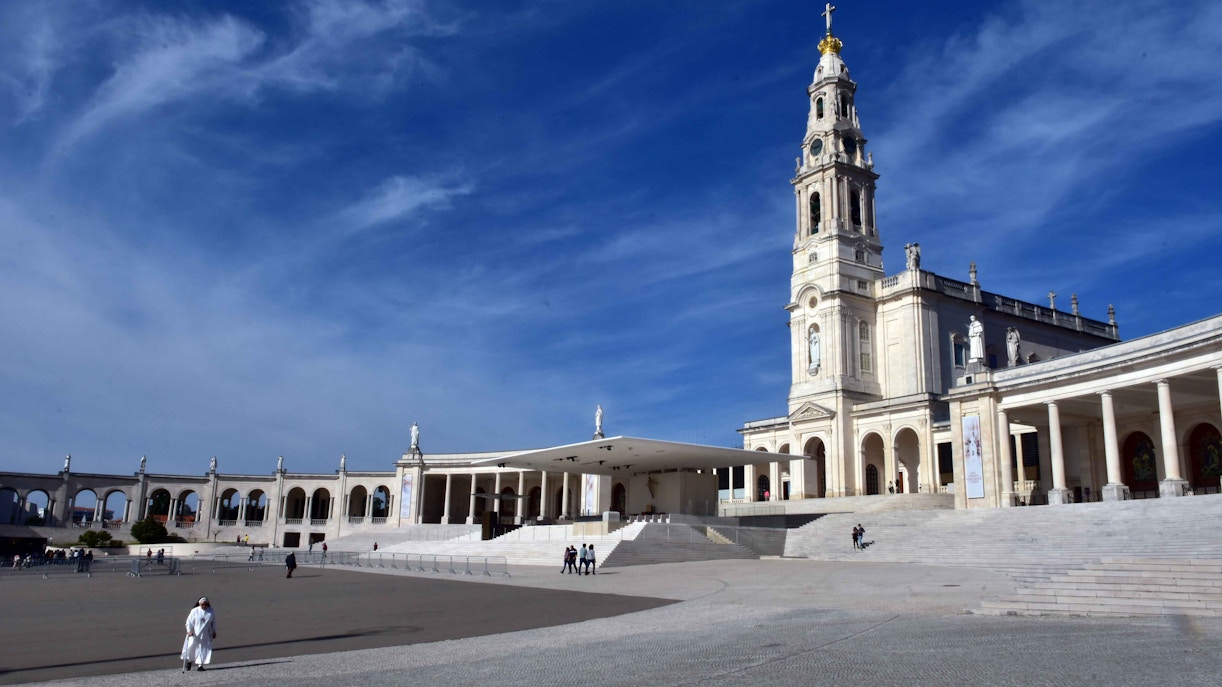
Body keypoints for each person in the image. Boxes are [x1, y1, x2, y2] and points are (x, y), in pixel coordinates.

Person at [181, 597, 217, 672]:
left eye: (205, 605)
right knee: (193, 648)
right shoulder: (194, 611)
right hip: (195, 633)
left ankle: (200, 665)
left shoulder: (211, 611)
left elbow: (213, 622)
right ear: (199, 604)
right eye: (202, 605)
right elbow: (189, 622)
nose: (204, 606)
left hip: (206, 634)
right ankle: (190, 661)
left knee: (203, 649)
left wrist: (214, 631)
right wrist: (189, 631)